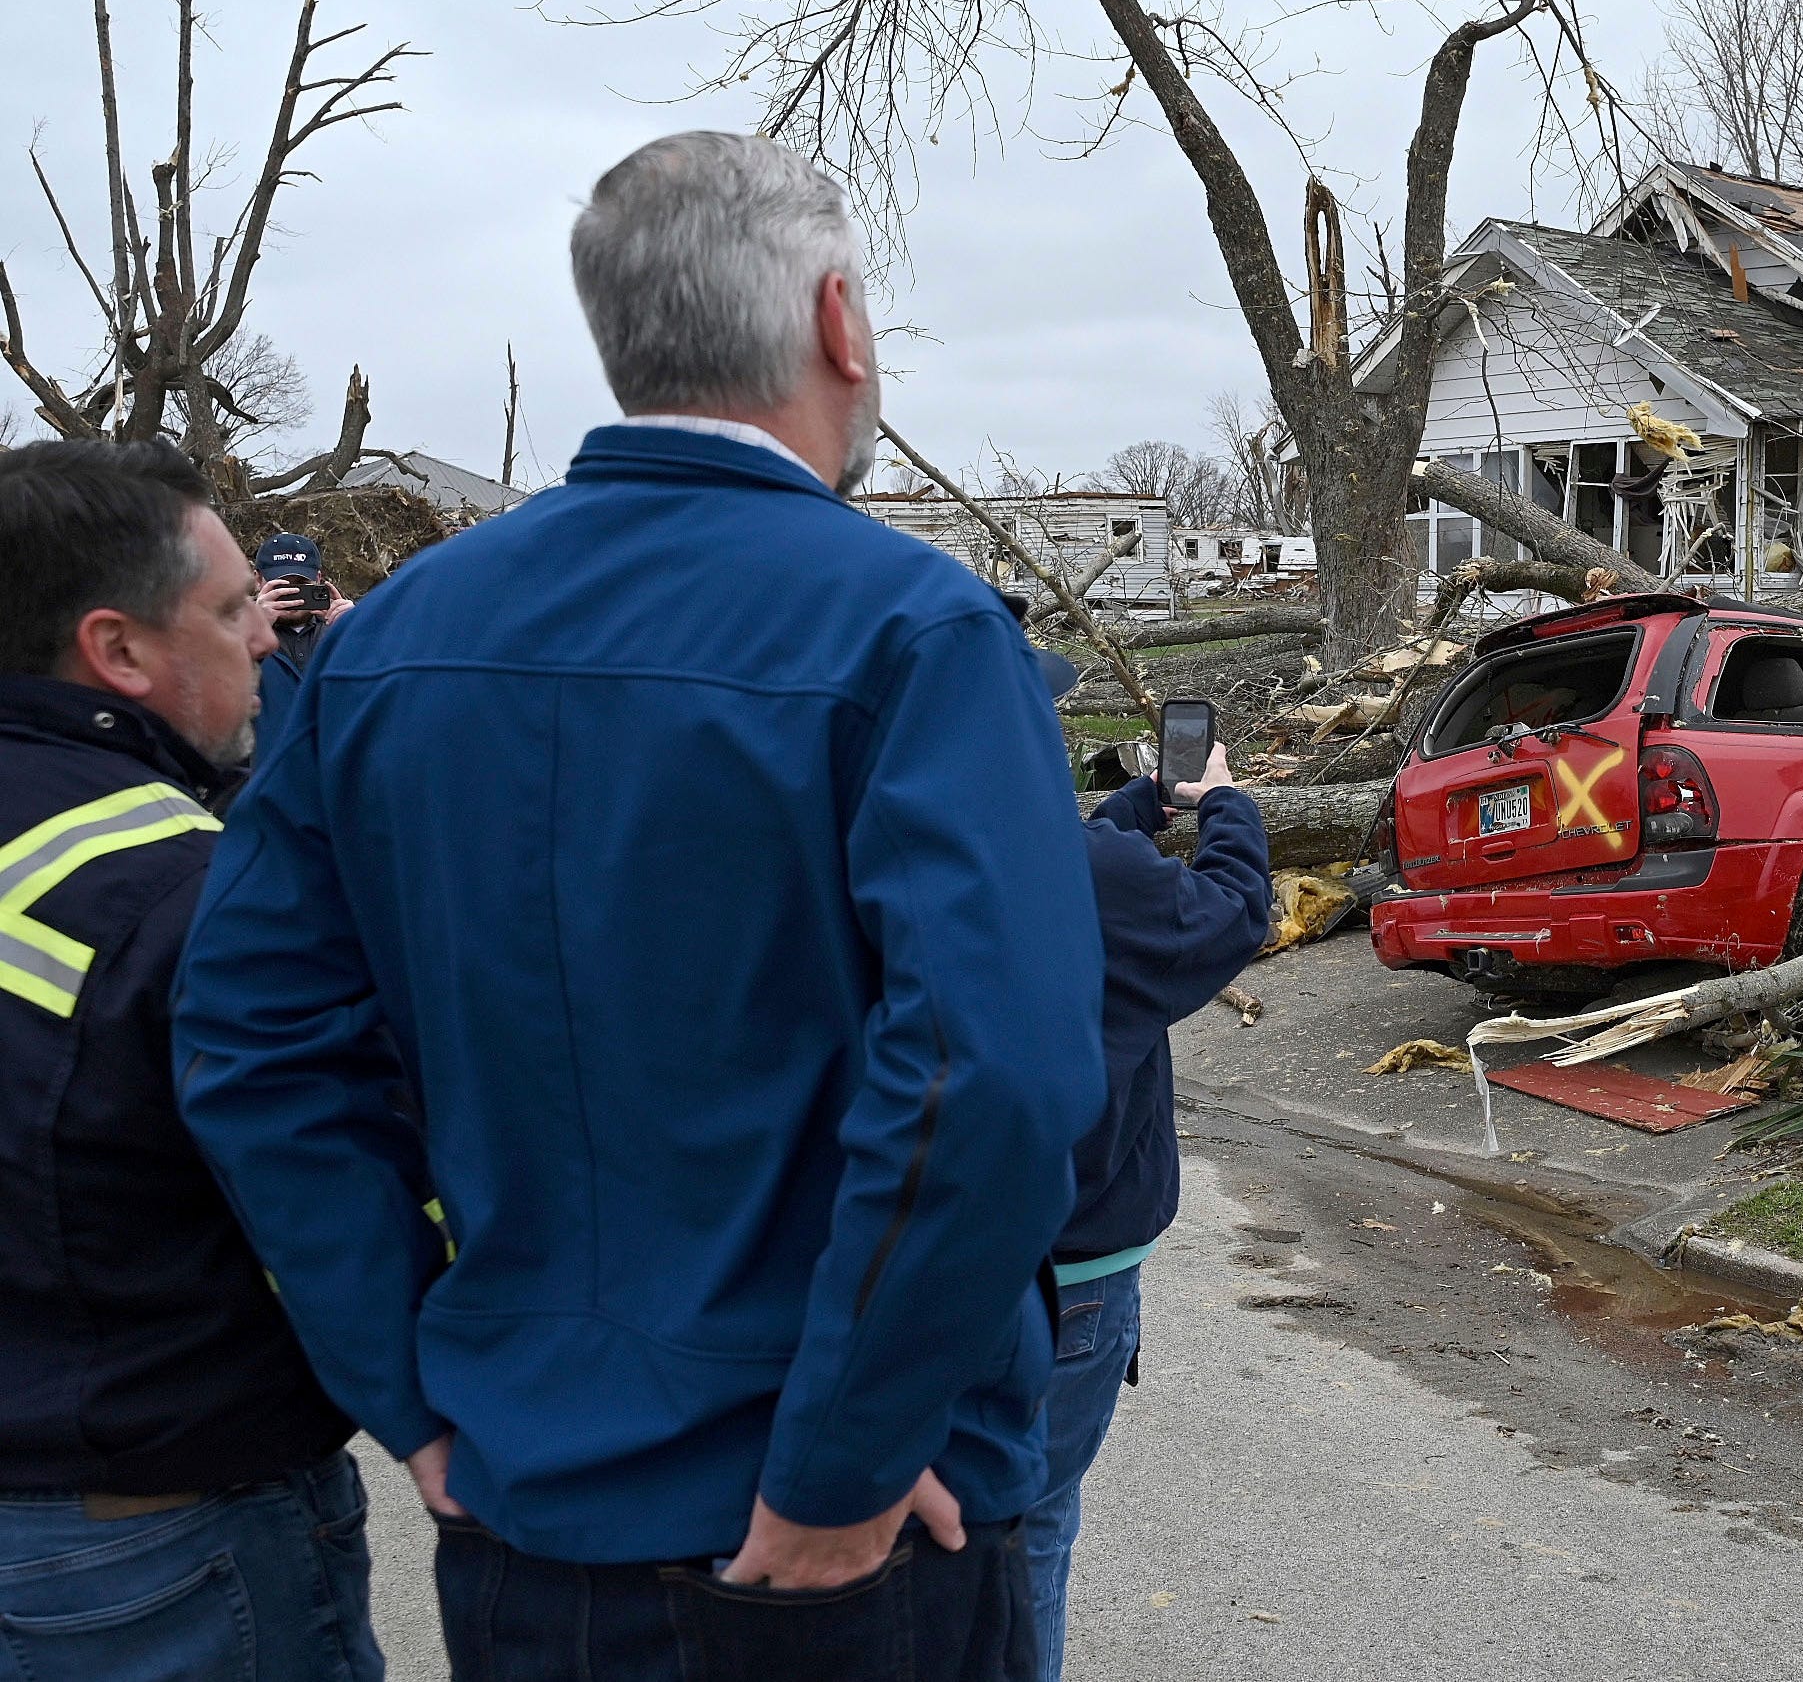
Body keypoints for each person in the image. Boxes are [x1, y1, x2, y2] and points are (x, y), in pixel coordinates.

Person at [173, 130, 1107, 1681]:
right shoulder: (915, 630)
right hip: (845, 1536)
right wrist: (844, 1456)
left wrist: (408, 1386)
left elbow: (254, 1046)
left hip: (535, 1508)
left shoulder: (391, 641)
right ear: (840, 327)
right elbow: (988, 1074)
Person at [0, 437, 382, 1681]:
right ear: (118, 652)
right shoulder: (183, 889)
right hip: (159, 1524)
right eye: (228, 612)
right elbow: (337, 1175)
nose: (267, 638)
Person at [1030, 736, 1272, 1675]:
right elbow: (1229, 913)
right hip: (1073, 1262)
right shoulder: (1089, 873)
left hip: (903, 1249)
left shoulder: (880, 843)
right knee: (1031, 1520)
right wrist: (1226, 808)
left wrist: (1131, 812)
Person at [247, 532, 353, 767]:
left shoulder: (345, 631)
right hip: (263, 782)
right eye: (282, 586)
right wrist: (251, 630)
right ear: (258, 580)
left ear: (318, 579)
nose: (292, 595)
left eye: (301, 585)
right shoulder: (231, 636)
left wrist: (360, 633)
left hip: (335, 776)